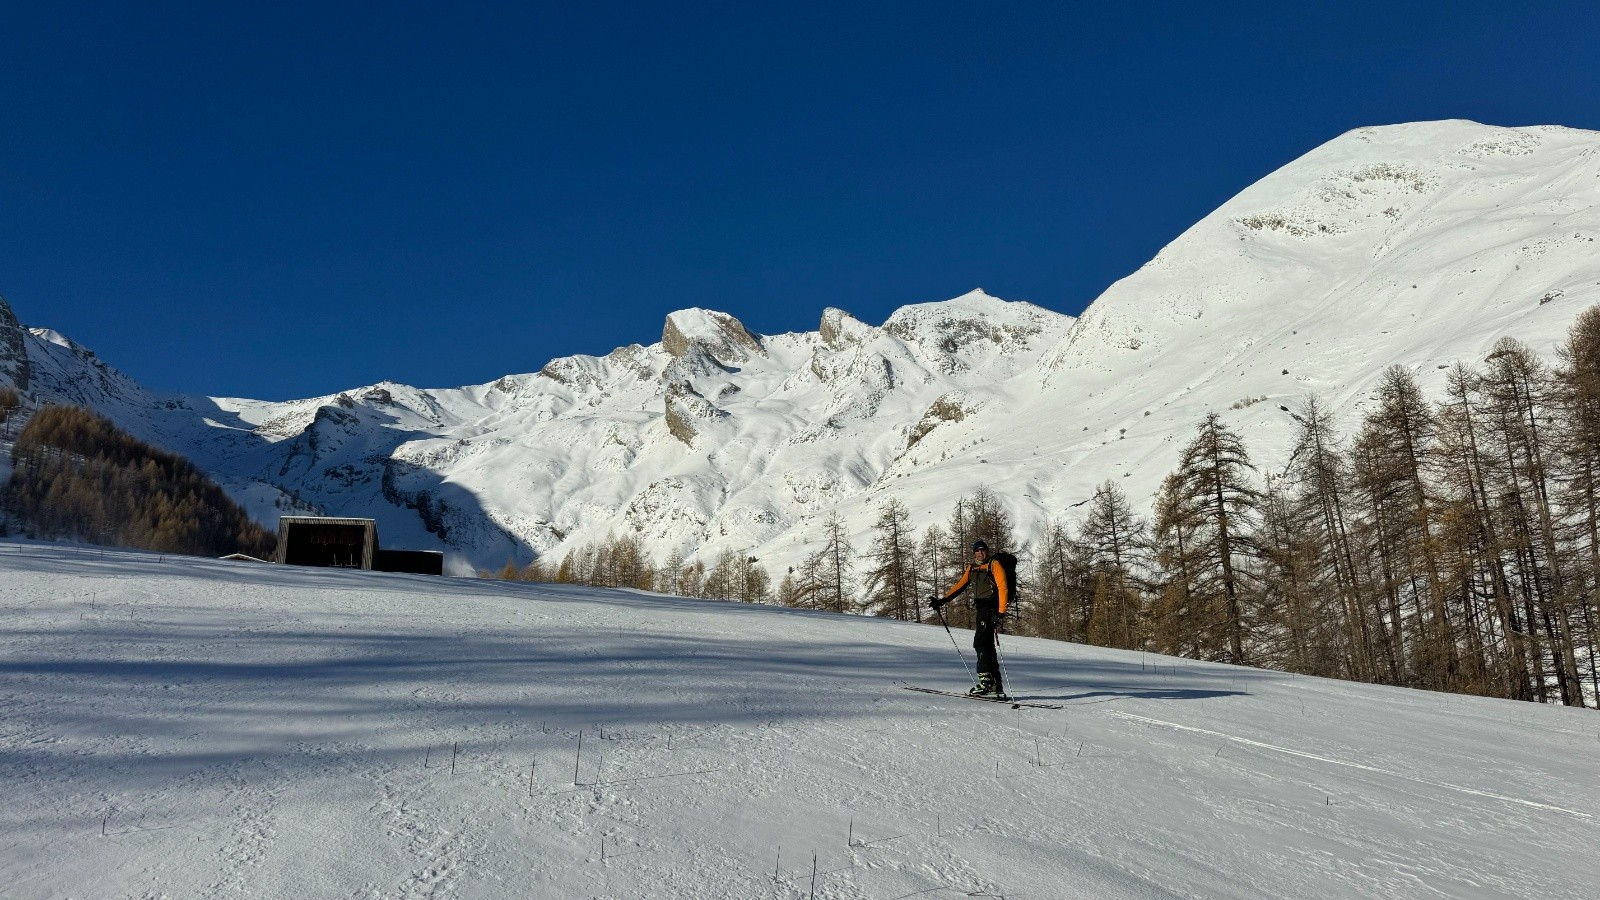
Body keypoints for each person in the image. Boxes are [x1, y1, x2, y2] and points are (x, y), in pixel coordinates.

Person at [929, 540, 1009, 697]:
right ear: (974, 553)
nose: (980, 553)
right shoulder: (972, 568)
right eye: (977, 551)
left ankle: (985, 682)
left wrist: (1000, 613)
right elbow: (960, 586)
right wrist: (942, 601)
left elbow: (1003, 587)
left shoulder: (994, 565)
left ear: (987, 551)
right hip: (981, 609)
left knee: (980, 643)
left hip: (990, 608)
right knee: (987, 646)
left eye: (983, 550)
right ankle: (995, 686)